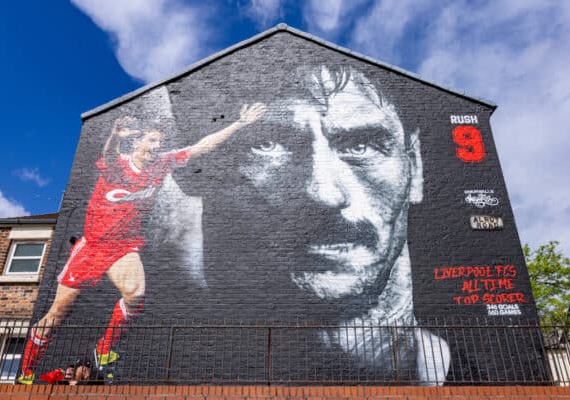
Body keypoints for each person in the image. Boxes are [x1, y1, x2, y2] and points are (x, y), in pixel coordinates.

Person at [184, 65, 449, 384]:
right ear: (204, 172)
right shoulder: (173, 368)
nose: (324, 193)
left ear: (415, 167)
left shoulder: (485, 374)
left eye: (360, 146)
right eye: (267, 144)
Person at [17, 103, 266, 384]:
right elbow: (107, 153)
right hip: (93, 247)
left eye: (160, 141)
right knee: (57, 313)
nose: (157, 146)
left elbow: (201, 147)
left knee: (135, 293)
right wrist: (114, 134)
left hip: (124, 246)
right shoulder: (117, 164)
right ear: (136, 142)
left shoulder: (162, 164)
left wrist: (240, 123)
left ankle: (104, 347)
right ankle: (25, 371)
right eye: (152, 140)